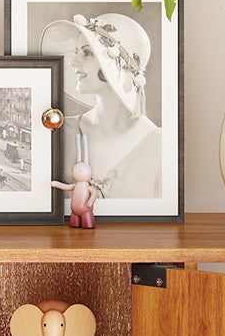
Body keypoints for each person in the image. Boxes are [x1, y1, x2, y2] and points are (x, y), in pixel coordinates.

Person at [37, 12, 162, 205]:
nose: (72, 61)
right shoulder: (60, 130)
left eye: (87, 53)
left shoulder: (159, 145)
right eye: (76, 51)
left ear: (117, 63)